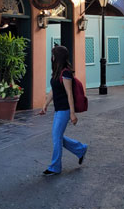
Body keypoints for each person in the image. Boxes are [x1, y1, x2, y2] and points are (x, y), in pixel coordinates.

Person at [39, 45, 88, 176]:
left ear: (58, 57)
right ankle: (80, 149)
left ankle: (55, 167)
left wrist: (72, 113)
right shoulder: (56, 72)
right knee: (57, 136)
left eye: (53, 54)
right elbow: (53, 91)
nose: (52, 57)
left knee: (56, 137)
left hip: (64, 110)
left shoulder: (65, 73)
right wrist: (45, 104)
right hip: (58, 109)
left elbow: (69, 94)